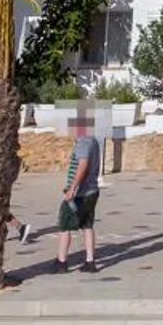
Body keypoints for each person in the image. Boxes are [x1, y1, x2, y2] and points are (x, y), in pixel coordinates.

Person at [54, 117, 104, 273]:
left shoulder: (83, 143)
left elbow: (82, 166)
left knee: (65, 224)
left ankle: (62, 262)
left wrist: (72, 189)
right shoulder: (93, 141)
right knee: (87, 225)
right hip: (92, 191)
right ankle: (90, 261)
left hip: (80, 194)